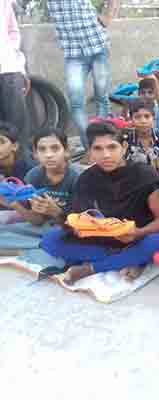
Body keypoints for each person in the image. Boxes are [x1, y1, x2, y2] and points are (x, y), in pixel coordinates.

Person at [40, 122, 159, 284]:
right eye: (98, 149)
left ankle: (91, 268)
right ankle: (127, 259)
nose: (106, 155)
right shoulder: (87, 179)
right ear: (90, 152)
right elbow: (76, 218)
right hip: (99, 240)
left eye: (112, 147)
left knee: (158, 241)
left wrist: (138, 233)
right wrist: (65, 218)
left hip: (136, 238)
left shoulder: (144, 174)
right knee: (50, 240)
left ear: (124, 147)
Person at [47, 0, 119, 150]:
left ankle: (103, 142)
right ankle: (90, 147)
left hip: (98, 46)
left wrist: (108, 16)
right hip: (73, 54)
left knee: (101, 97)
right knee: (76, 103)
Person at [0, 128, 80, 251]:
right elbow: (37, 220)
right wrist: (15, 205)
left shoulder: (78, 177)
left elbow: (82, 223)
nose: (48, 155)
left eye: (55, 148)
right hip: (43, 227)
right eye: (42, 149)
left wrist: (56, 212)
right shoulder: (33, 175)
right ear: (35, 154)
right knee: (4, 232)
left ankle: (47, 245)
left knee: (61, 236)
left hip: (69, 229)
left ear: (66, 151)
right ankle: (45, 245)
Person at [0, 0, 29, 152]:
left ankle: (21, 164)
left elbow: (12, 32)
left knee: (17, 128)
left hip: (8, 70)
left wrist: (20, 68)